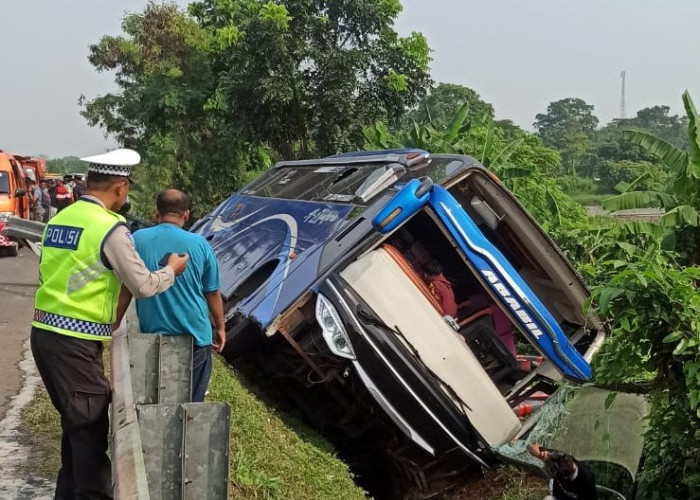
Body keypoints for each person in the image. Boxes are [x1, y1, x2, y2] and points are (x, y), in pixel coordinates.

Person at [30, 148, 189, 500]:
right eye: (127, 188)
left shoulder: (60, 219)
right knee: (88, 433)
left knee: (75, 430)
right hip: (74, 342)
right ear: (120, 186)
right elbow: (143, 285)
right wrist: (171, 271)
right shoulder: (110, 228)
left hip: (45, 335)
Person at [115, 189, 226, 402]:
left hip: (153, 337)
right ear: (186, 214)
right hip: (195, 336)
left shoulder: (137, 239)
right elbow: (212, 292)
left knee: (155, 399)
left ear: (157, 213)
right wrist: (220, 328)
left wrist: (116, 322)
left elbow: (127, 287)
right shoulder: (200, 244)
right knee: (191, 403)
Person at [528, 443, 598, 500]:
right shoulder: (563, 459)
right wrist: (539, 452)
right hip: (560, 494)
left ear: (565, 477)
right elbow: (550, 456)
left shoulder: (586, 480)